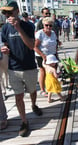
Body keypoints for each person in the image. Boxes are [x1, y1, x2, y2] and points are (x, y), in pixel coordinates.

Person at [0, 1, 42, 137]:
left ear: (17, 11)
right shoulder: (5, 29)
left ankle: (34, 105)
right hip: (14, 68)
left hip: (29, 67)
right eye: (5, 13)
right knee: (18, 97)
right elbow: (4, 43)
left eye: (10, 12)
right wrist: (3, 48)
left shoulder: (28, 26)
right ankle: (24, 121)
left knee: (33, 91)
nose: (7, 15)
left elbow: (31, 45)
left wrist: (18, 28)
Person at [34, 17, 58, 97]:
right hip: (42, 56)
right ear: (43, 25)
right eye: (46, 25)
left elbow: (55, 44)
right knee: (43, 72)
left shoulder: (53, 33)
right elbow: (35, 47)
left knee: (52, 72)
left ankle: (51, 87)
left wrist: (56, 54)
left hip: (52, 56)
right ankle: (42, 89)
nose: (48, 27)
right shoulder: (40, 33)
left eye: (50, 25)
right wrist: (43, 55)